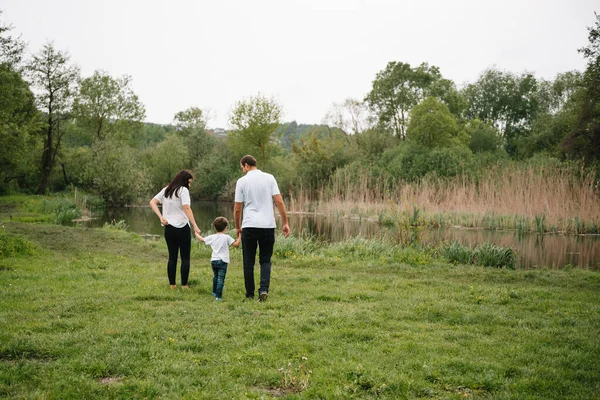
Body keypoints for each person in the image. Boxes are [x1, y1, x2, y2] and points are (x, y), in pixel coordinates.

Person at [234, 155, 290, 302]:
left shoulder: (242, 181)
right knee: (265, 260)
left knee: (248, 262)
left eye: (242, 167)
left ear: (246, 165)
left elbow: (237, 208)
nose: (242, 170)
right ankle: (263, 290)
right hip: (267, 225)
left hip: (249, 226)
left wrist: (238, 227)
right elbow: (279, 201)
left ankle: (250, 293)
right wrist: (285, 222)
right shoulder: (270, 178)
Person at [149, 170, 201, 289]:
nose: (190, 185)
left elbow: (152, 202)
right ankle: (184, 285)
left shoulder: (167, 189)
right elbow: (187, 208)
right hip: (182, 228)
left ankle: (172, 285)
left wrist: (161, 217)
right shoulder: (183, 191)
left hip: (169, 228)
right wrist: (195, 225)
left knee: (172, 257)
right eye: (189, 182)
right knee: (185, 257)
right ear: (184, 181)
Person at [195, 217, 241, 301]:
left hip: (214, 260)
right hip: (223, 261)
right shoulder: (226, 237)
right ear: (226, 227)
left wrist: (196, 233)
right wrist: (240, 236)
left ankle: (214, 292)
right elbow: (236, 244)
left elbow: (202, 239)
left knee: (215, 276)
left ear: (215, 227)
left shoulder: (212, 237)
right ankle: (218, 296)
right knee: (220, 279)